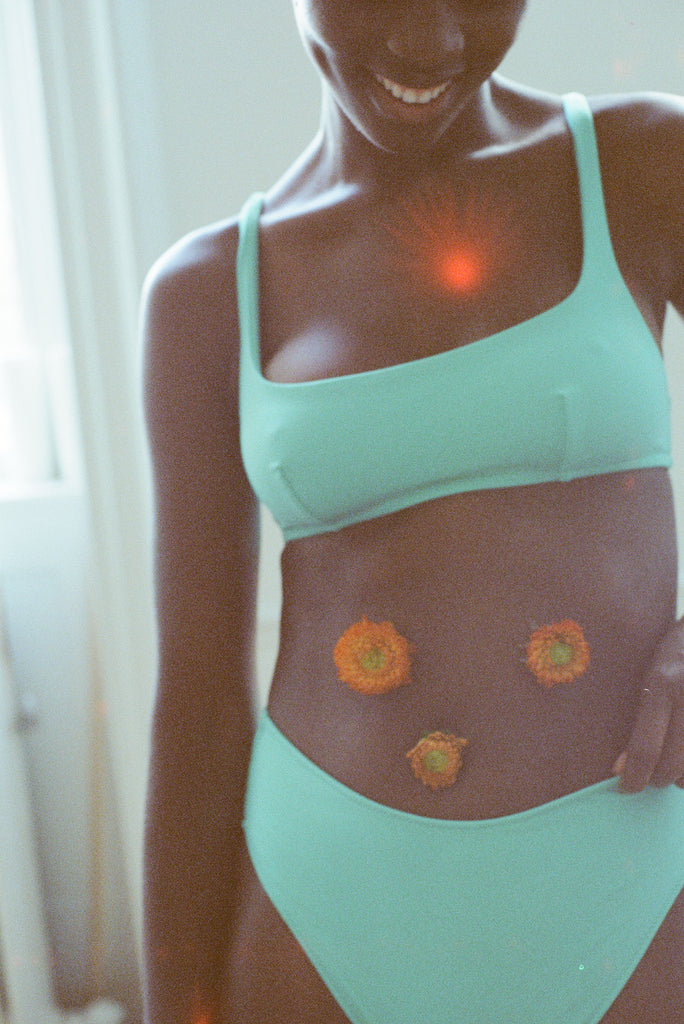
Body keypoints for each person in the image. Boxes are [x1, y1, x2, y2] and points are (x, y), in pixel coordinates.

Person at [141, 1, 684, 1021]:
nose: (431, 41)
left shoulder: (645, 165)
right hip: (326, 906)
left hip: (635, 874)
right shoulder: (208, 293)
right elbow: (200, 705)